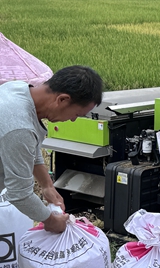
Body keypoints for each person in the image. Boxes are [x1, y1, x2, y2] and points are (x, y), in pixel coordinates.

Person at [0, 65, 103, 233]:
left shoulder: (17, 88)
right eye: (76, 114)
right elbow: (19, 193)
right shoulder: (20, 128)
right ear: (62, 99)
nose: (72, 120)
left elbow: (29, 149)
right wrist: (49, 220)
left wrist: (47, 185)